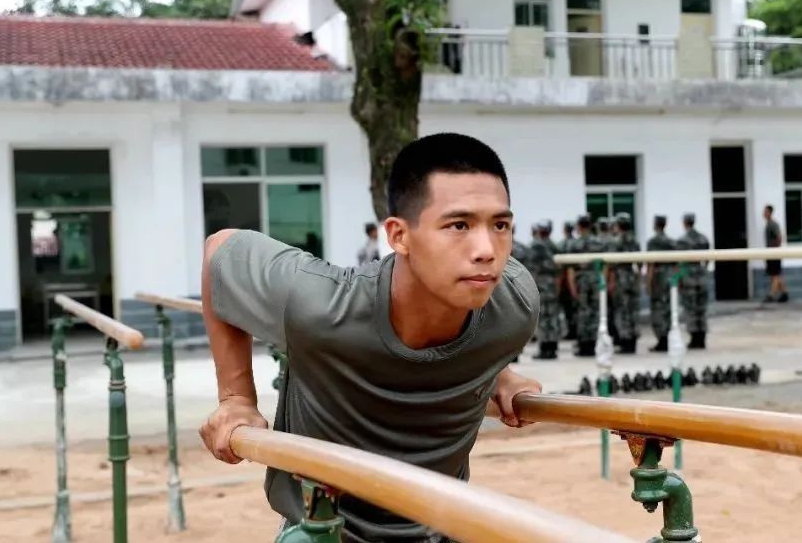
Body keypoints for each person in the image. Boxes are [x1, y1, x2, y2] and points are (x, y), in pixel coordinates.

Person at [198, 133, 543, 542]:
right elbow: (219, 250)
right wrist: (236, 397)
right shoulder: (321, 305)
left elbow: (484, 327)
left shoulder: (515, 302)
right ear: (399, 236)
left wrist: (499, 371)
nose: (487, 249)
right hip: (324, 529)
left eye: (500, 225)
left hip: (439, 528)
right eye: (459, 225)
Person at [566, 214, 604, 357]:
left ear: (579, 226)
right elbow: (605, 265)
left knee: (582, 312)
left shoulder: (574, 244)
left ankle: (584, 345)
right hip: (596, 280)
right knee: (595, 312)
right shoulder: (599, 243)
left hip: (581, 280)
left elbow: (570, 268)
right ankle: (594, 343)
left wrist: (572, 286)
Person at [529, 220, 562, 360]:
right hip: (553, 285)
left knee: (542, 317)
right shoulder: (554, 246)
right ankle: (553, 347)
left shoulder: (536, 246)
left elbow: (532, 269)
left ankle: (544, 349)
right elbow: (560, 269)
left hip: (541, 284)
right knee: (553, 316)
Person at [608, 212, 641, 354]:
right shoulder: (635, 241)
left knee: (622, 311)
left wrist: (611, 283)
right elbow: (639, 263)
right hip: (632, 278)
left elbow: (612, 266)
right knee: (632, 310)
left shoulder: (616, 242)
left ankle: (626, 342)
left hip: (620, 279)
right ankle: (633, 341)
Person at [677, 213, 711, 350]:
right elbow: (708, 258)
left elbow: (680, 261)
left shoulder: (682, 240)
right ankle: (702, 338)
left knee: (690, 308)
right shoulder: (703, 238)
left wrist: (680, 277)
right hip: (701, 275)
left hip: (688, 276)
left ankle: (694, 338)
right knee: (701, 309)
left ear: (685, 223)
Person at [646, 215, 676, 352]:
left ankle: (662, 339)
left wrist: (648, 282)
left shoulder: (653, 242)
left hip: (659, 277)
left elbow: (651, 263)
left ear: (655, 224)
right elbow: (676, 263)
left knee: (658, 309)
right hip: (670, 276)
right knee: (668, 308)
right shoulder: (671, 241)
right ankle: (668, 338)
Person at [763, 204, 789, 303]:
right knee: (774, 274)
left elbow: (779, 238)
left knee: (775, 274)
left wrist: (775, 250)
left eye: (765, 211)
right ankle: (784, 293)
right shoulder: (768, 224)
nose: (764, 214)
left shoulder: (773, 224)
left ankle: (771, 295)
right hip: (770, 252)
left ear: (770, 212)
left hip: (774, 253)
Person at [557, 221, 578, 340]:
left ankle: (569, 330)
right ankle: (573, 330)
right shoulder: (575, 243)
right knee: (573, 308)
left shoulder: (560, 245)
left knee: (565, 307)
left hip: (564, 280)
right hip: (575, 279)